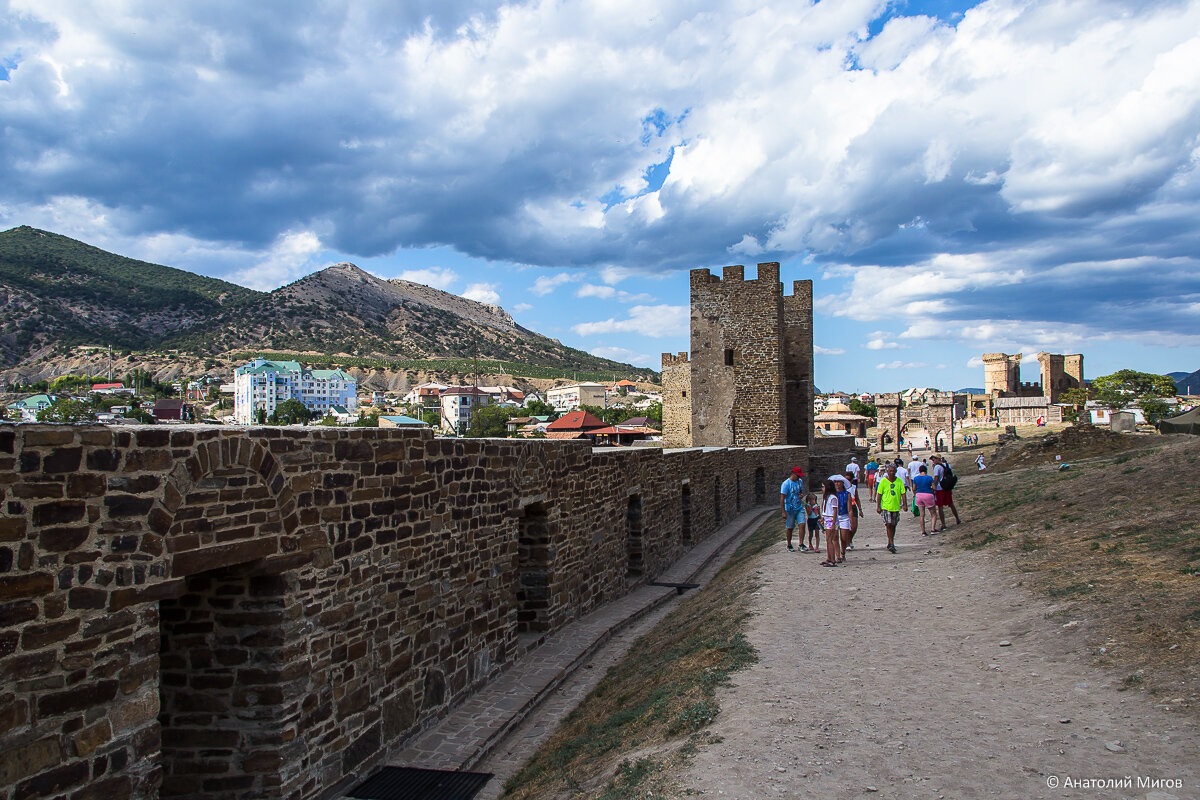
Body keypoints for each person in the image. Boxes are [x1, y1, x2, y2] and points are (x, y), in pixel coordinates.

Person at [875, 461, 907, 554]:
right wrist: (878, 506)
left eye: (893, 471)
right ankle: (892, 543)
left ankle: (890, 541)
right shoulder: (883, 481)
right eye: (890, 471)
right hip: (886, 506)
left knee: (893, 525)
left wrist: (905, 504)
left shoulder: (899, 481)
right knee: (888, 524)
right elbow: (879, 494)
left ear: (895, 471)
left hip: (896, 506)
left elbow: (903, 493)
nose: (892, 472)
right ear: (887, 471)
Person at [780, 466, 805, 551]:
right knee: (790, 528)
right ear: (793, 474)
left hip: (799, 507)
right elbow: (782, 498)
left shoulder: (800, 482)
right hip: (789, 509)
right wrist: (783, 512)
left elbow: (801, 491)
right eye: (798, 476)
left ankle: (801, 544)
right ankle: (789, 544)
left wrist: (801, 495)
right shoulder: (786, 484)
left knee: (802, 524)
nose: (799, 478)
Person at [932, 456, 961, 529]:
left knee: (940, 506)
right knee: (951, 504)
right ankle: (957, 519)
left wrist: (933, 487)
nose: (933, 461)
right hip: (947, 487)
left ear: (938, 459)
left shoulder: (937, 467)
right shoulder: (947, 465)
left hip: (940, 488)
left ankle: (943, 524)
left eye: (934, 459)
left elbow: (936, 478)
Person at [820, 479, 842, 567]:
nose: (822, 488)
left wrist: (833, 523)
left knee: (830, 540)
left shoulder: (833, 498)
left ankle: (832, 560)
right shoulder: (827, 497)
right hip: (827, 519)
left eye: (823, 486)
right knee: (828, 540)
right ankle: (829, 558)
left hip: (831, 520)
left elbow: (835, 511)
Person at [912, 464, 938, 535]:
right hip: (928, 495)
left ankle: (923, 531)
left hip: (919, 495)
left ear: (919, 471)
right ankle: (933, 529)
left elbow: (914, 488)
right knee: (933, 513)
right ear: (926, 471)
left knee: (922, 515)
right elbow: (934, 488)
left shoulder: (916, 478)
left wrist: (915, 494)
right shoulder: (929, 478)